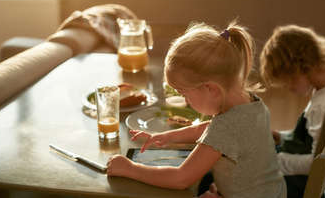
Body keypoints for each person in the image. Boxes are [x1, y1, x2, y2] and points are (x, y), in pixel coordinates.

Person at [107, 21, 287, 198]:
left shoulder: (226, 127)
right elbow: (210, 129)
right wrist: (169, 136)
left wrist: (130, 168)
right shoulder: (253, 104)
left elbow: (181, 179)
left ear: (211, 89)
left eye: (185, 94)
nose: (185, 101)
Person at [259, 25, 325, 198]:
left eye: (288, 81)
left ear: (302, 67)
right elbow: (312, 141)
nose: (288, 88)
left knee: (240, 176)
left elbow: (317, 164)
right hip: (306, 176)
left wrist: (273, 162)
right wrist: (282, 136)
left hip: (305, 185)